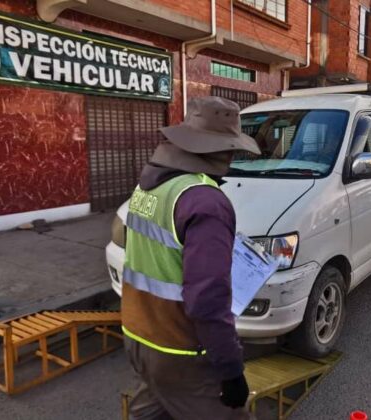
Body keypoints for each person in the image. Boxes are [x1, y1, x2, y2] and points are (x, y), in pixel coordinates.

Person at [121, 97, 261, 420]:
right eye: (230, 148)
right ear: (219, 150)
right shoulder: (205, 201)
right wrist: (231, 369)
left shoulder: (149, 186)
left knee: (155, 410)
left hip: (139, 338)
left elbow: (153, 256)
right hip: (179, 352)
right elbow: (207, 302)